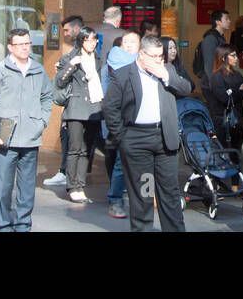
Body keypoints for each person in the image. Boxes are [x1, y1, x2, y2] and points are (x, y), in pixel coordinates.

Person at [102, 33, 192, 232]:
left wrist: (166, 75)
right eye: (153, 56)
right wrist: (122, 137)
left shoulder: (167, 70)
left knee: (169, 192)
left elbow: (186, 88)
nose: (158, 60)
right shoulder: (125, 74)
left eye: (160, 56)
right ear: (141, 55)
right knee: (145, 193)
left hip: (164, 139)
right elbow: (110, 107)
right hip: (137, 140)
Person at [0, 27, 55, 231]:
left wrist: (42, 122)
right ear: (10, 47)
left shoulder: (38, 70)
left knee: (27, 187)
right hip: (6, 137)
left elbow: (47, 97)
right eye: (20, 44)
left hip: (31, 136)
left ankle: (23, 224)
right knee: (4, 186)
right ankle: (4, 224)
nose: (24, 48)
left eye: (27, 43)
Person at [54, 25, 105, 203]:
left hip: (94, 107)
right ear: (81, 40)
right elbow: (60, 81)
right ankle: (72, 186)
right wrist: (71, 65)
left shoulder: (98, 60)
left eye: (94, 40)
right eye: (87, 39)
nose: (91, 43)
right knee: (74, 149)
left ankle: (80, 185)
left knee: (86, 150)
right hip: (76, 108)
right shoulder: (69, 58)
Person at [44, 15, 86, 189]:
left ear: (77, 29)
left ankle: (68, 175)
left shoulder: (84, 50)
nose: (65, 34)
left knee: (76, 142)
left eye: (67, 30)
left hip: (83, 102)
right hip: (76, 102)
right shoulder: (73, 52)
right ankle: (67, 173)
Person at [103, 30, 141, 218]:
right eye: (125, 42)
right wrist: (118, 130)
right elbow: (108, 103)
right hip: (125, 124)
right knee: (121, 163)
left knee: (147, 165)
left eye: (133, 42)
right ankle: (115, 200)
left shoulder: (147, 65)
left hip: (145, 124)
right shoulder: (113, 66)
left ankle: (147, 198)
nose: (128, 45)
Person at [205, 46, 243, 157]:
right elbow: (224, 98)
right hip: (223, 120)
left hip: (238, 120)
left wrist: (232, 91)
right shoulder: (216, 76)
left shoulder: (237, 74)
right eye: (233, 55)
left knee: (236, 152)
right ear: (223, 58)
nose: (236, 58)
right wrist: (237, 90)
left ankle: (236, 174)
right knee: (223, 152)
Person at [196, 9, 231, 89]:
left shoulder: (220, 37)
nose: (229, 21)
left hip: (219, 80)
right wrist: (215, 85)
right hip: (212, 85)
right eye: (226, 19)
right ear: (218, 22)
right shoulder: (210, 39)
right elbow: (209, 64)